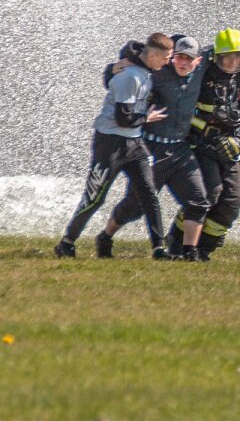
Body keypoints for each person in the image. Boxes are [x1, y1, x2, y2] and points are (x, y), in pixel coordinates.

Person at [54, 33, 174, 259]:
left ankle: (159, 248)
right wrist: (148, 117)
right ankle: (67, 243)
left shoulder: (146, 69)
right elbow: (124, 118)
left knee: (149, 193)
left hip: (135, 143)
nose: (167, 62)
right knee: (96, 197)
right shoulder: (130, 77)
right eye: (165, 58)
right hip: (110, 143)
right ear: (153, 56)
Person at [98, 36, 212, 261]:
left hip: (180, 150)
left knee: (198, 200)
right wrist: (114, 67)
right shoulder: (158, 72)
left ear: (197, 61)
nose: (182, 62)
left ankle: (190, 252)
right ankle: (105, 236)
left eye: (188, 59)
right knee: (136, 205)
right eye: (178, 57)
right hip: (152, 147)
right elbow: (134, 52)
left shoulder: (202, 67)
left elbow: (226, 47)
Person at [172, 28, 240, 260]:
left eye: (239, 58)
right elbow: (181, 47)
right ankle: (177, 245)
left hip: (232, 147)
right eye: (227, 58)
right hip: (202, 144)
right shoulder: (201, 72)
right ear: (216, 57)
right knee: (209, 194)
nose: (233, 63)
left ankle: (204, 250)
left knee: (232, 201)